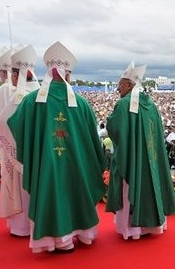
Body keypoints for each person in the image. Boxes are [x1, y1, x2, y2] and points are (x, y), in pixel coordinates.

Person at [7, 41, 106, 253]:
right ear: (68, 75)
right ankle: (84, 234)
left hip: (46, 166)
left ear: (49, 73)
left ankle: (56, 241)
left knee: (49, 192)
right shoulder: (81, 103)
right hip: (77, 165)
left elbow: (15, 124)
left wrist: (35, 149)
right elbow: (93, 139)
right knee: (78, 189)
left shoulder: (31, 101)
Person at [106, 62, 175, 240]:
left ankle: (132, 229)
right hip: (151, 159)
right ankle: (153, 225)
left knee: (131, 187)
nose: (118, 89)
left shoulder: (123, 104)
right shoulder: (151, 104)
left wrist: (109, 120)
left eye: (120, 84)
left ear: (129, 85)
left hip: (133, 160)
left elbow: (114, 129)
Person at [0, 45, 40, 236]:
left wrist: (9, 147)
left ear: (16, 75)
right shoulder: (41, 92)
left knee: (21, 188)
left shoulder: (17, 96)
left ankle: (21, 228)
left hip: (19, 153)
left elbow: (2, 123)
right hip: (37, 153)